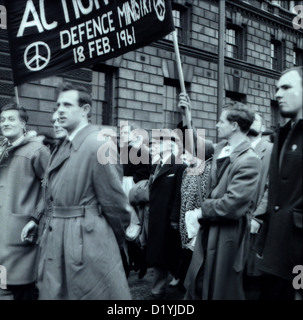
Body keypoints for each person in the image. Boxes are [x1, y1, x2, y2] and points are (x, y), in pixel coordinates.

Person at [21, 82, 133, 300]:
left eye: (67, 105)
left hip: (86, 242)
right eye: (58, 105)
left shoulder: (98, 143)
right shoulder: (63, 145)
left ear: (85, 110)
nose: (60, 110)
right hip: (59, 239)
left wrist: (103, 240)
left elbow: (116, 204)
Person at [184, 100, 261, 300]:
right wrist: (187, 114)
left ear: (234, 125)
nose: (216, 125)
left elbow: (232, 205)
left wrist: (203, 210)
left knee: (221, 289)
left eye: (220, 121)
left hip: (228, 234)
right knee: (200, 283)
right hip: (210, 228)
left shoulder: (250, 160)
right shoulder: (220, 148)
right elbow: (193, 145)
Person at [255, 66, 303, 300]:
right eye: (277, 88)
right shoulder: (283, 132)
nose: (278, 94)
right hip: (275, 255)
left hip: (298, 260)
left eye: (286, 87)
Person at [0, 103, 50, 300]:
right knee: (4, 287)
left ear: (23, 124)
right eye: (2, 119)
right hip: (2, 234)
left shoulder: (37, 150)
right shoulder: (1, 150)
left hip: (21, 233)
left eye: (11, 119)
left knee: (24, 289)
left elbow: (51, 187)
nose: (5, 123)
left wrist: (36, 218)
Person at [146, 130, 187, 299]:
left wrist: (174, 218)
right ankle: (178, 280)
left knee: (164, 254)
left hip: (167, 218)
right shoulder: (157, 164)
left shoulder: (179, 166)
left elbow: (180, 194)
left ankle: (159, 290)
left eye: (158, 143)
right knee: (162, 254)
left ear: (169, 145)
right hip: (155, 215)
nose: (154, 145)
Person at [243, 112, 273, 300]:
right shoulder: (236, 149)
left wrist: (257, 217)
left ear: (262, 127)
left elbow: (272, 186)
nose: (251, 123)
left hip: (256, 220)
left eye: (255, 120)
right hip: (236, 218)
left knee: (253, 272)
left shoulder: (270, 149)